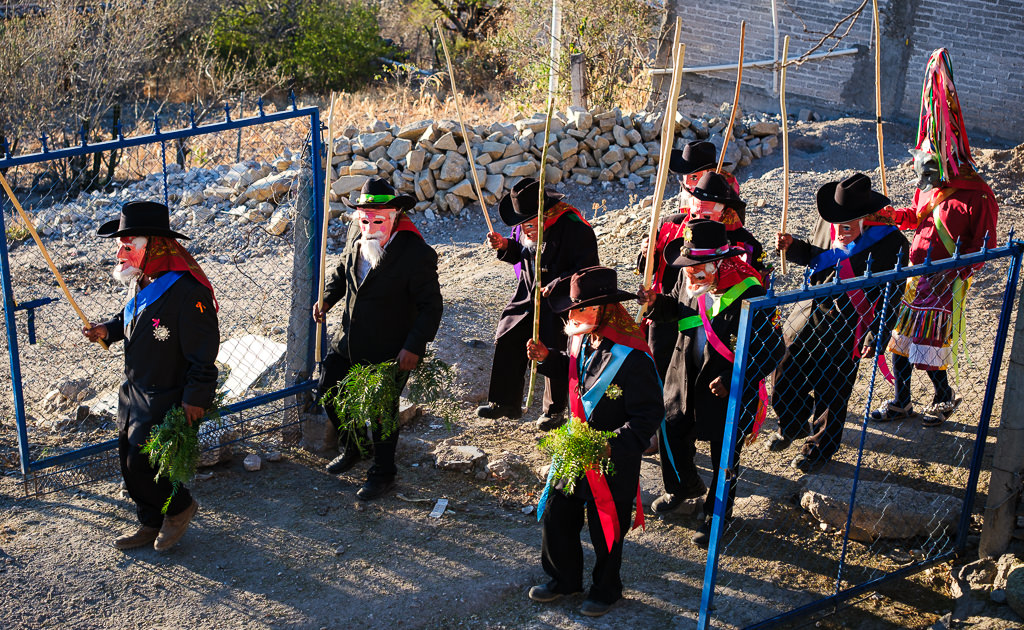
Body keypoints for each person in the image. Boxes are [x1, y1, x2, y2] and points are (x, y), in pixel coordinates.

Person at [525, 266, 662, 617]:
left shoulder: (633, 356)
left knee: (606, 526)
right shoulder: (581, 338)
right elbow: (575, 373)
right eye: (573, 308)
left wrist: (613, 444)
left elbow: (648, 415)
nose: (573, 316)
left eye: (581, 308)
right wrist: (546, 359)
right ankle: (563, 579)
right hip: (575, 447)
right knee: (557, 514)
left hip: (614, 456)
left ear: (606, 309)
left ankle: (606, 589)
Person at [870, 48, 998, 426]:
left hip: (945, 277)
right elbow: (917, 217)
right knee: (901, 343)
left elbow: (983, 243)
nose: (924, 183)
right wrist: (889, 215)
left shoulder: (977, 194)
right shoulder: (932, 186)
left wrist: (958, 272)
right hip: (915, 273)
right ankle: (902, 401)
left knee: (929, 346)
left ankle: (944, 396)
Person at [82, 201, 219, 551]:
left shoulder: (189, 293)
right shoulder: (144, 278)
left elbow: (203, 352)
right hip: (135, 389)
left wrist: (196, 397)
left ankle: (180, 507)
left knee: (140, 461)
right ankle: (149, 519)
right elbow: (132, 317)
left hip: (167, 391)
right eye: (119, 246)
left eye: (127, 247)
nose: (119, 254)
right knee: (127, 458)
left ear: (155, 246)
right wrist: (108, 330)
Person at [638, 220, 782, 545]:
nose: (690, 272)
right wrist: (654, 304)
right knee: (672, 431)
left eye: (698, 265)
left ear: (720, 261)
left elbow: (774, 348)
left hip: (726, 387)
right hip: (683, 373)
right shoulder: (687, 277)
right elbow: (676, 309)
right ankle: (682, 486)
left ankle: (716, 516)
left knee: (723, 456)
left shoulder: (753, 293)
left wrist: (735, 379)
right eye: (688, 265)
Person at [314, 177, 443, 500]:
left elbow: (432, 306)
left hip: (390, 346)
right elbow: (342, 272)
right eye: (364, 216)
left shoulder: (415, 252)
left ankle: (383, 473)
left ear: (396, 214)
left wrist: (414, 345)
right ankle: (356, 445)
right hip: (349, 339)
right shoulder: (356, 233)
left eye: (378, 218)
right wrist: (328, 298)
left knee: (382, 410)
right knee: (329, 388)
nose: (370, 224)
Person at [773, 174, 909, 472]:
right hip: (809, 313)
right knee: (784, 373)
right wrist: (794, 246)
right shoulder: (829, 220)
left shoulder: (892, 243)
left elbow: (893, 294)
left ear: (867, 218)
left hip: (849, 325)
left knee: (832, 391)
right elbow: (818, 257)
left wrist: (878, 333)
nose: (839, 231)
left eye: (847, 226)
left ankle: (819, 448)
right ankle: (792, 424)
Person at [478, 177, 599, 431]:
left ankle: (554, 411)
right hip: (528, 295)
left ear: (547, 212)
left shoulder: (576, 229)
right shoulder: (524, 228)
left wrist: (558, 285)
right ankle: (505, 401)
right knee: (508, 335)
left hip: (562, 302)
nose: (525, 229)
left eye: (530, 223)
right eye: (522, 224)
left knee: (552, 348)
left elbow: (588, 270)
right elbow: (524, 255)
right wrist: (505, 246)